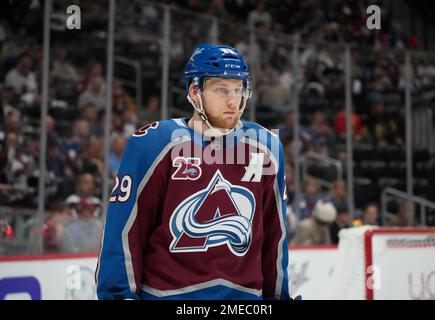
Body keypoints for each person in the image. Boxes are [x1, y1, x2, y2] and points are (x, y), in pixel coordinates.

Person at [96, 43, 290, 300]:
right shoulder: (154, 143)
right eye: (221, 89)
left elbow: (275, 239)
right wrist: (118, 296)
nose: (233, 100)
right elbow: (124, 232)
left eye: (238, 89)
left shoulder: (266, 147)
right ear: (194, 91)